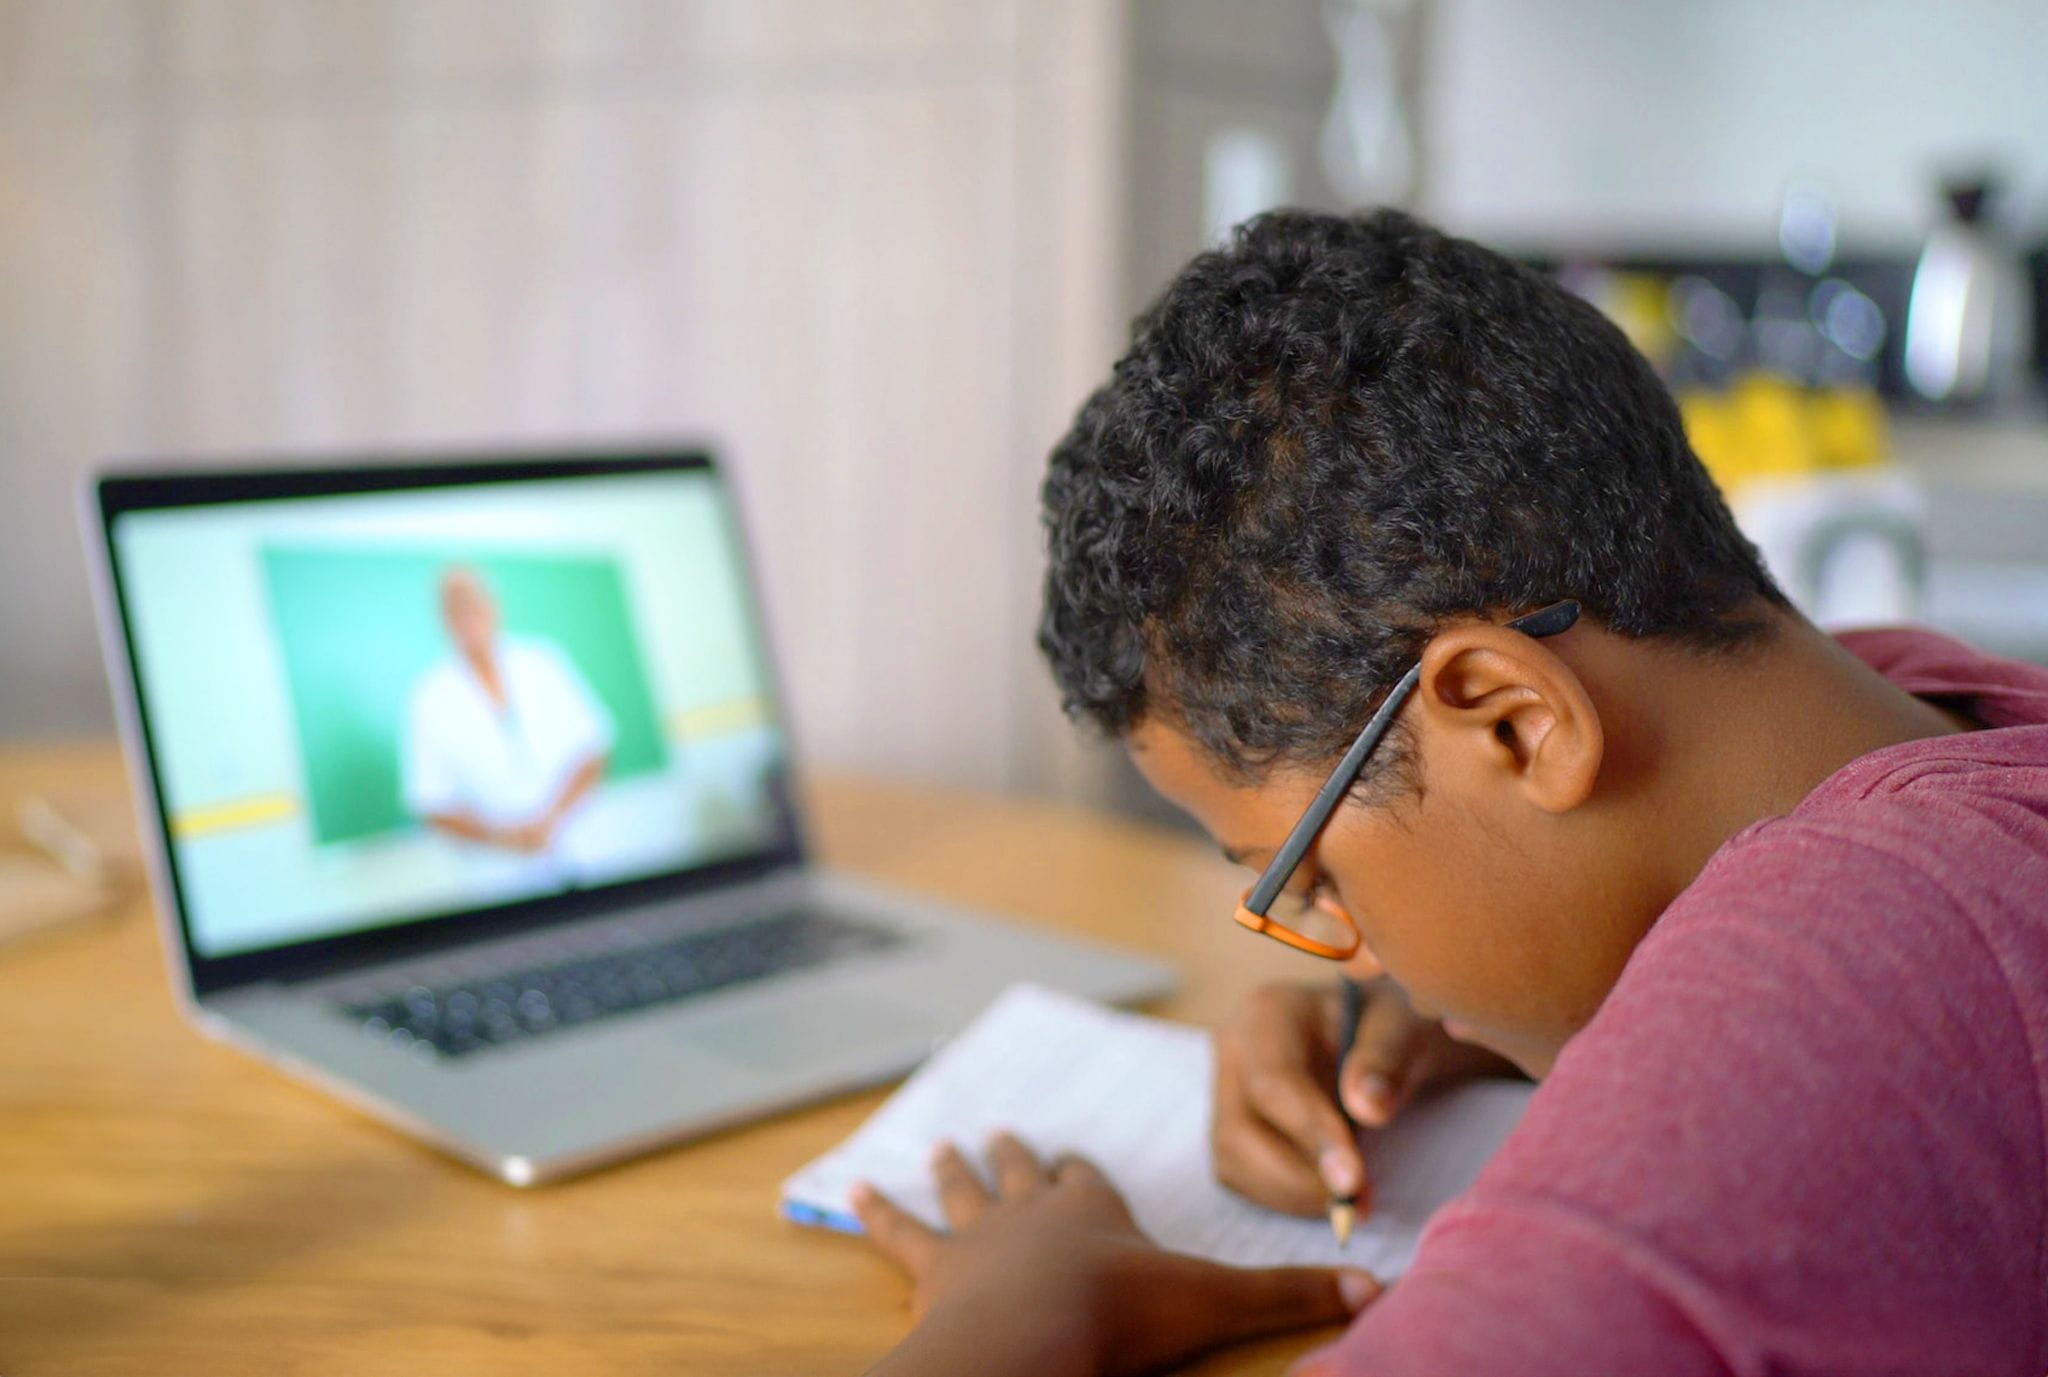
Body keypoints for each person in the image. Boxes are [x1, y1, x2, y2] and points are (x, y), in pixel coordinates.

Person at [845, 210, 2048, 1375]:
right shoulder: (1905, 701)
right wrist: (1494, 1003)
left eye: (1310, 879)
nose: (1353, 959)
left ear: (1517, 723)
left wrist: (1010, 1322)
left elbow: (1810, 1042)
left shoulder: (1830, 1005)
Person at [402, 566, 613, 878]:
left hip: (584, 844)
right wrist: (500, 837)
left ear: (492, 604)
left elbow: (594, 748)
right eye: (454, 605)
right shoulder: (429, 698)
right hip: (499, 870)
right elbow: (430, 802)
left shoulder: (544, 661)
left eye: (472, 600)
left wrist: (552, 819)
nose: (466, 612)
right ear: (442, 619)